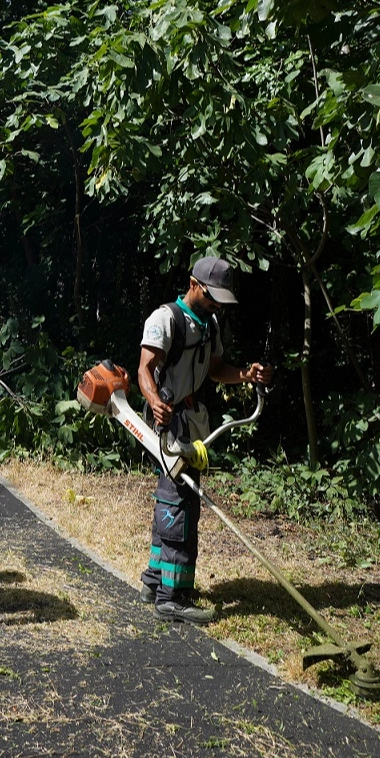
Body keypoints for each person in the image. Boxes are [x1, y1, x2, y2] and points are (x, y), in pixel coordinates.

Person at [137, 256, 269, 624]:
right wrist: (154, 401)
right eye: (213, 297)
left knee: (174, 497)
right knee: (179, 503)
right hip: (167, 422)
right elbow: (144, 369)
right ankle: (173, 597)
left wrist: (244, 374)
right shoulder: (165, 319)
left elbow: (214, 370)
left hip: (194, 422)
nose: (217, 306)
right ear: (194, 284)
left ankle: (153, 580)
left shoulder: (210, 324)